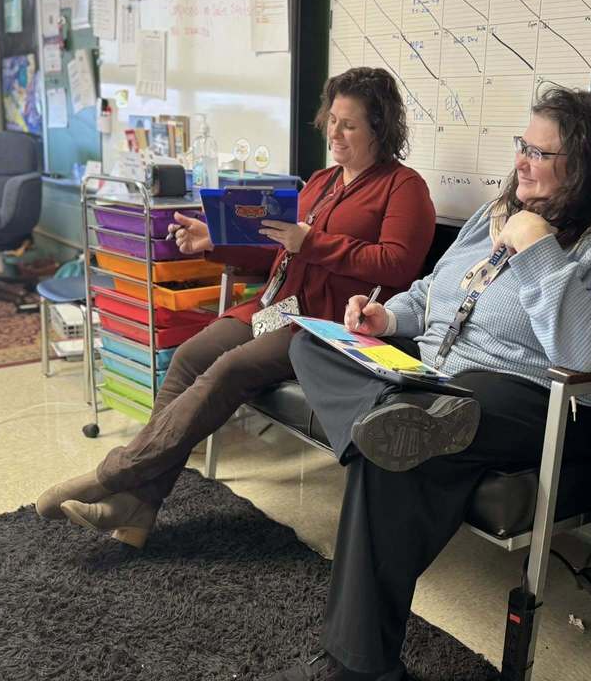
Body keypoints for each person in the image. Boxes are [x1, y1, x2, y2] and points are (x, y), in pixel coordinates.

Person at [265, 87, 591, 680]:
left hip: (543, 401)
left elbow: (587, 353)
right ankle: (400, 416)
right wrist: (390, 317)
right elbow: (435, 289)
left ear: (583, 167)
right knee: (311, 343)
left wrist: (538, 252)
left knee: (404, 444)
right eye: (522, 145)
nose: (522, 161)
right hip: (438, 382)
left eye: (540, 152)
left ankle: (355, 668)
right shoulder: (493, 214)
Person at [36, 67, 435, 548]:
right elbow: (278, 249)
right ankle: (139, 506)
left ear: (380, 127)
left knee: (227, 371)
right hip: (277, 308)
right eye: (331, 120)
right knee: (188, 357)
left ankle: (115, 475)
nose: (334, 133)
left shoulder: (404, 187)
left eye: (348, 125)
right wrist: (215, 241)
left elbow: (396, 265)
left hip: (330, 326)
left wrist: (314, 242)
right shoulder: (324, 182)